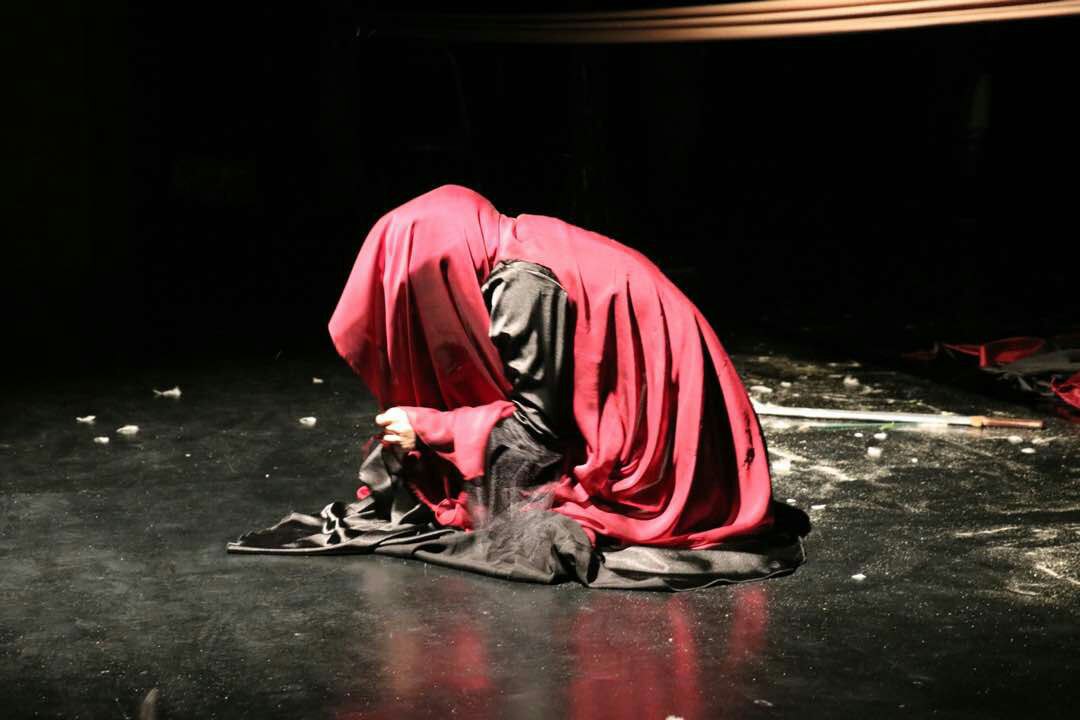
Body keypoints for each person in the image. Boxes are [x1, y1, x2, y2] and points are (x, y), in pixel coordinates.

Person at [229, 185, 806, 590]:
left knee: (506, 524)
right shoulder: (514, 243)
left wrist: (431, 426)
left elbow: (540, 430)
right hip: (673, 433)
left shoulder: (521, 282)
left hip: (664, 469)